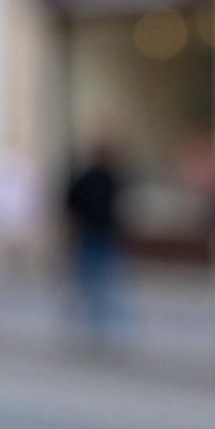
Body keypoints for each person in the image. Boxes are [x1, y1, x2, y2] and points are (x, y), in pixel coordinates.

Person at [64, 140, 125, 346]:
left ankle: (95, 321)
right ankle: (93, 321)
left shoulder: (104, 178)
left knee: (95, 281)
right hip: (95, 235)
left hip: (97, 235)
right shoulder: (103, 178)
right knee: (97, 280)